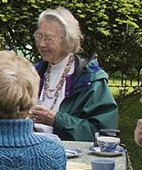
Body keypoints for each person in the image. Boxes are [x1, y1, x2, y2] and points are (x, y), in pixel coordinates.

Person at [29, 7, 118, 141]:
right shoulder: (31, 73)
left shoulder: (90, 79)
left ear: (68, 40)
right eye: (39, 36)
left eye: (48, 38)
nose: (41, 44)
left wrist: (57, 120)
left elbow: (102, 133)